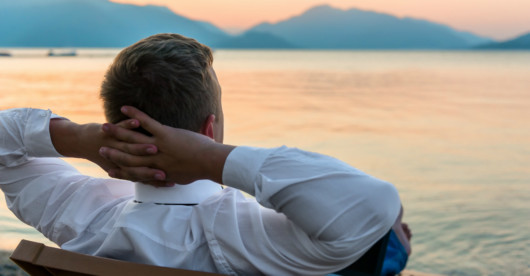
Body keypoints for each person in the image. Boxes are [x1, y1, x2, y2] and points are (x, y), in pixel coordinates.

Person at [0, 33, 405, 275]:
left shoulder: (80, 218)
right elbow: (373, 204)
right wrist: (216, 160)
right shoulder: (248, 242)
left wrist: (81, 138)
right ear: (208, 131)